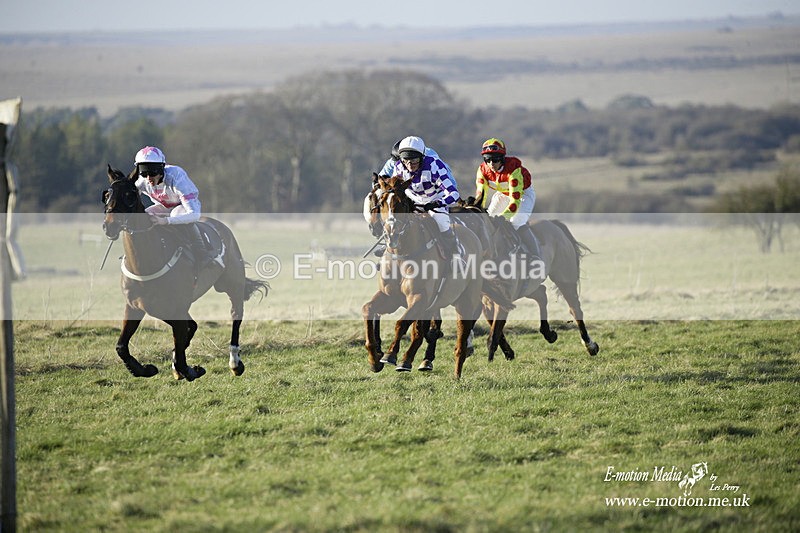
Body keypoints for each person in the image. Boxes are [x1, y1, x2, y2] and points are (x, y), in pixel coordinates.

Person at [133, 146, 217, 271]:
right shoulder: (142, 181)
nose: (149, 178)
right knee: (145, 216)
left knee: (176, 214)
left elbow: (194, 215)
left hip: (183, 206)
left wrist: (165, 221)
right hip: (164, 206)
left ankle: (202, 253)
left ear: (161, 169)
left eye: (152, 173)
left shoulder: (176, 177)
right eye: (144, 173)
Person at [391, 135, 460, 258]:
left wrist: (437, 203)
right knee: (393, 221)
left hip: (434, 200)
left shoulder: (434, 165)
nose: (410, 164)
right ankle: (387, 251)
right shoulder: (398, 167)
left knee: (442, 222)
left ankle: (455, 256)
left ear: (422, 157)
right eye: (405, 160)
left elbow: (454, 194)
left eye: (414, 160)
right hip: (412, 200)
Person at [474, 138, 541, 261]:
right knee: (488, 220)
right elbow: (480, 196)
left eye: (495, 159)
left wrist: (504, 216)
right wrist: (477, 211)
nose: (491, 164)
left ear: (502, 158)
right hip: (503, 194)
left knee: (516, 222)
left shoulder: (513, 170)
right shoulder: (482, 170)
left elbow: (515, 201)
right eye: (487, 159)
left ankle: (535, 255)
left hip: (522, 195)